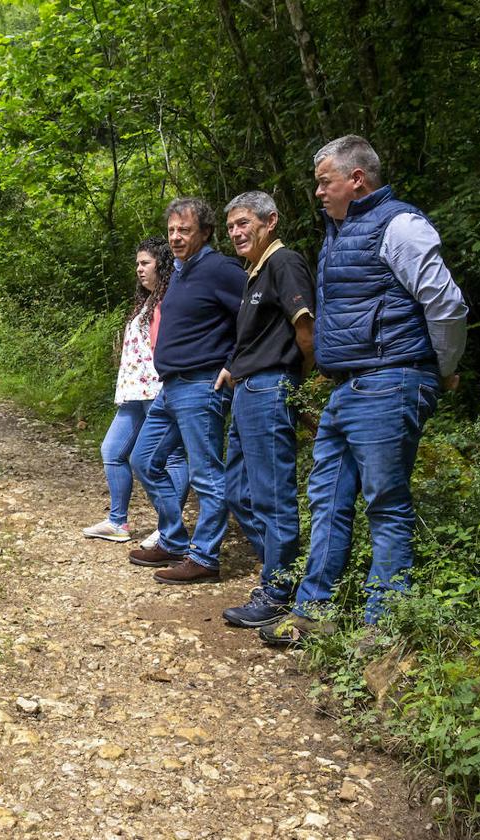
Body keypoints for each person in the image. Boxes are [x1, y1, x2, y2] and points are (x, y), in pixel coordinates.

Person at [261, 136, 468, 645]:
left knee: (385, 502)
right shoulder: (340, 231)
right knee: (328, 498)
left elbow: (446, 302)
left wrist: (442, 368)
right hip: (348, 387)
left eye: (324, 181)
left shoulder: (399, 224)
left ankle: (384, 624)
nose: (316, 192)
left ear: (357, 179)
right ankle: (313, 612)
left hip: (391, 379)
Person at [128, 197, 253, 584]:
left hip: (202, 385)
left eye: (185, 230)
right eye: (172, 231)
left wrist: (233, 362)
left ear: (205, 233)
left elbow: (253, 315)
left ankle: (204, 557)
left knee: (206, 475)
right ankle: (173, 538)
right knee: (143, 459)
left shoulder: (220, 269)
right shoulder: (180, 271)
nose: (177, 237)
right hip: (171, 387)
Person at [214, 191, 315, 628]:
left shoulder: (284, 262)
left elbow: (305, 330)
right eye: (232, 225)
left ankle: (278, 590)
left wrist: (297, 381)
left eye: (243, 223)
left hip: (271, 388)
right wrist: (233, 369)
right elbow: (256, 338)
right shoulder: (252, 273)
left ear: (269, 221)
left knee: (273, 497)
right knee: (237, 490)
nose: (236, 232)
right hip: (247, 388)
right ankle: (281, 571)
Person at [81, 238, 188, 547]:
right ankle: (118, 521)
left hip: (158, 390)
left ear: (162, 265)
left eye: (146, 263)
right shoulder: (147, 301)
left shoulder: (170, 299)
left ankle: (169, 528)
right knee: (112, 452)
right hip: (133, 392)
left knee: (172, 459)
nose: (139, 269)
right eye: (138, 263)